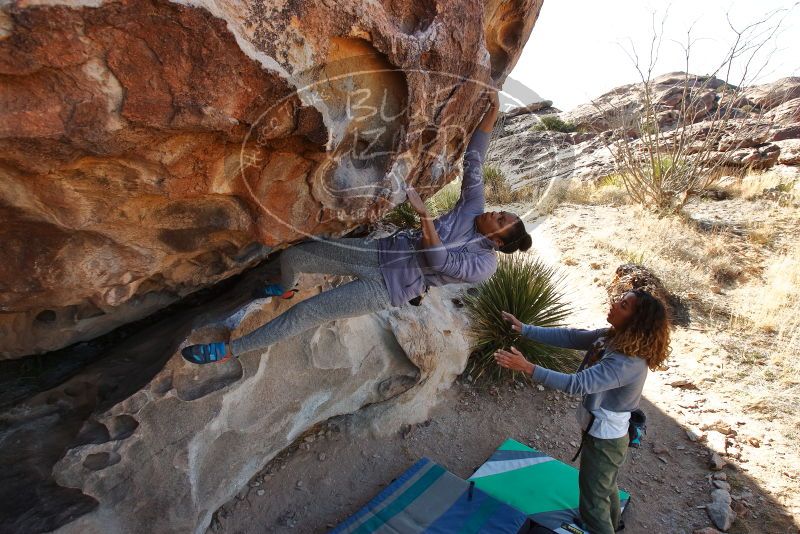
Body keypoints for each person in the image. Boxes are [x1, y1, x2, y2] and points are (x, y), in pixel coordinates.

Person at [182, 89, 532, 364]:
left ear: (499, 242)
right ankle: (285, 288)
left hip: (388, 287)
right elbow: (475, 161)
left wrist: (425, 216)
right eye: (501, 211)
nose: (495, 213)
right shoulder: (473, 207)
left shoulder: (484, 266)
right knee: (295, 258)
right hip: (377, 250)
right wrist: (492, 113)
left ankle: (231, 350)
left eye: (500, 220)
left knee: (309, 312)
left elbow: (439, 261)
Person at [494, 289, 671, 534]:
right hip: (600, 433)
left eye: (624, 305)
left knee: (592, 503)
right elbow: (570, 337)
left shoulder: (626, 362)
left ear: (637, 321)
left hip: (605, 440)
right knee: (604, 483)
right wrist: (525, 328)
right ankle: (614, 522)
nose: (615, 304)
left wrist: (527, 367)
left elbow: (576, 384)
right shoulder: (612, 338)